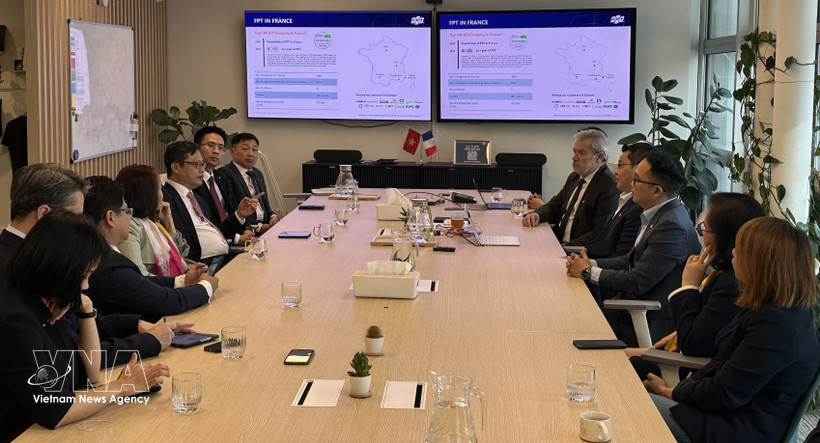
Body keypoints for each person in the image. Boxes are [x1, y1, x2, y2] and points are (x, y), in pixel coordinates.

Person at [644, 217, 820, 443]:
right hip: (723, 416)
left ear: (760, 262)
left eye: (741, 248)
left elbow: (723, 394)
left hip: (733, 430)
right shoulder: (777, 308)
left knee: (625, 406)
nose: (734, 252)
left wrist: (669, 392)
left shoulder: (776, 325)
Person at [0, 211, 170, 440]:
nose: (86, 285)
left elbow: (90, 372)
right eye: (84, 275)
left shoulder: (50, 300)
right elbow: (57, 409)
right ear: (60, 269)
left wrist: (86, 310)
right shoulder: (16, 319)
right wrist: (123, 387)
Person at [0, 164, 184, 368]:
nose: (86, 224)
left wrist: (136, 325)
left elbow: (74, 321)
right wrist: (147, 343)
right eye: (77, 216)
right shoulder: (21, 269)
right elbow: (66, 356)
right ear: (44, 214)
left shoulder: (31, 253)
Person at [567, 151, 700, 346]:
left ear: (657, 191)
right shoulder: (659, 215)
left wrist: (588, 272)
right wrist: (588, 262)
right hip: (629, 311)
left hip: (647, 323)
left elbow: (638, 280)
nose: (631, 185)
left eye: (637, 180)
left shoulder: (672, 227)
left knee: (570, 323)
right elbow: (627, 260)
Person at [626, 193, 764, 379]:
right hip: (684, 357)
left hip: (694, 372)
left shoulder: (731, 284)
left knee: (617, 363)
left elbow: (694, 346)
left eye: (705, 229)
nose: (703, 235)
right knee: (614, 354)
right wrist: (677, 335)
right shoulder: (725, 274)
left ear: (722, 237)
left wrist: (688, 287)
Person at [84, 176, 218, 322]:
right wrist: (206, 287)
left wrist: (182, 281)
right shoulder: (108, 264)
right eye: (126, 212)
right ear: (111, 218)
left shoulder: (95, 252)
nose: (129, 217)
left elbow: (140, 282)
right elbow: (166, 302)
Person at [522, 127, 619, 246]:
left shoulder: (608, 185)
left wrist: (565, 248)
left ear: (599, 157)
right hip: (557, 240)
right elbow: (554, 207)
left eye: (581, 153)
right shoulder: (575, 177)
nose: (574, 157)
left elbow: (599, 233)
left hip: (576, 251)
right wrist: (536, 215)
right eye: (574, 151)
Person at [162, 140, 255, 263]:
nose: (202, 170)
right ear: (176, 167)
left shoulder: (196, 198)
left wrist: (239, 215)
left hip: (225, 257)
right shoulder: (165, 200)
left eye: (202, 164)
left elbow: (218, 231)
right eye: (197, 165)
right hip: (201, 265)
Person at [115, 164, 189, 277]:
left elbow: (181, 254)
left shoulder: (151, 220)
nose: (162, 194)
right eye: (159, 189)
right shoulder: (130, 227)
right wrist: (182, 282)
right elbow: (138, 276)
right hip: (162, 290)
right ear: (146, 194)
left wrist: (168, 222)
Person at [584, 142, 653, 259]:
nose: (615, 171)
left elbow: (621, 257)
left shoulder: (638, 208)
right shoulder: (624, 200)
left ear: (638, 168)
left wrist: (588, 267)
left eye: (620, 166)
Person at [192, 126, 255, 246]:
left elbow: (234, 211)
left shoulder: (222, 178)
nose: (216, 151)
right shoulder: (193, 183)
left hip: (234, 238)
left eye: (220, 148)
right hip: (217, 244)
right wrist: (237, 238)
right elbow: (207, 223)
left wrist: (247, 229)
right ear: (197, 148)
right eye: (210, 145)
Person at [219, 132, 280, 235]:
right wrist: (259, 227)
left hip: (266, 228)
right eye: (245, 149)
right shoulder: (224, 174)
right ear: (232, 152)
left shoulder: (257, 173)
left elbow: (265, 205)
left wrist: (273, 217)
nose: (251, 154)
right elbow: (232, 211)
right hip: (246, 231)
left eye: (254, 150)